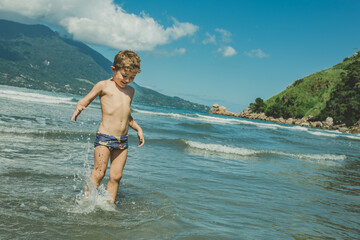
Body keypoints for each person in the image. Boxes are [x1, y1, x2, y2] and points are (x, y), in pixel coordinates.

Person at [71, 50, 145, 203]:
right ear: (113, 69)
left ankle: (109, 205)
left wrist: (138, 128)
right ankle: (86, 201)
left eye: (132, 77)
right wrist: (80, 106)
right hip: (104, 137)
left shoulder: (130, 91)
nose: (127, 80)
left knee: (116, 176)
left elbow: (126, 115)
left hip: (122, 141)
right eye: (124, 76)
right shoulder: (103, 86)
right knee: (99, 173)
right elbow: (85, 100)